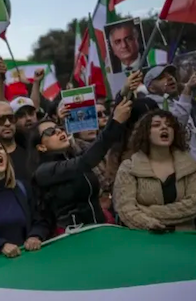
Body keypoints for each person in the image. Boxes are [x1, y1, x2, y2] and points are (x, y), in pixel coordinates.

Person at [32, 97, 133, 234]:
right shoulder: (45, 171)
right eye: (50, 132)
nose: (59, 131)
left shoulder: (73, 155)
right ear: (41, 147)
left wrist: (124, 92)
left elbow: (99, 143)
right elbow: (87, 159)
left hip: (98, 225)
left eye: (59, 127)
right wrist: (115, 122)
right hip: (73, 234)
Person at [114, 110, 196, 232]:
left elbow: (193, 206)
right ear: (145, 133)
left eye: (169, 125)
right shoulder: (129, 168)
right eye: (156, 125)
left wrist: (144, 211)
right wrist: (148, 223)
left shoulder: (191, 167)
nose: (164, 127)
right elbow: (125, 208)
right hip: (143, 238)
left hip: (184, 239)